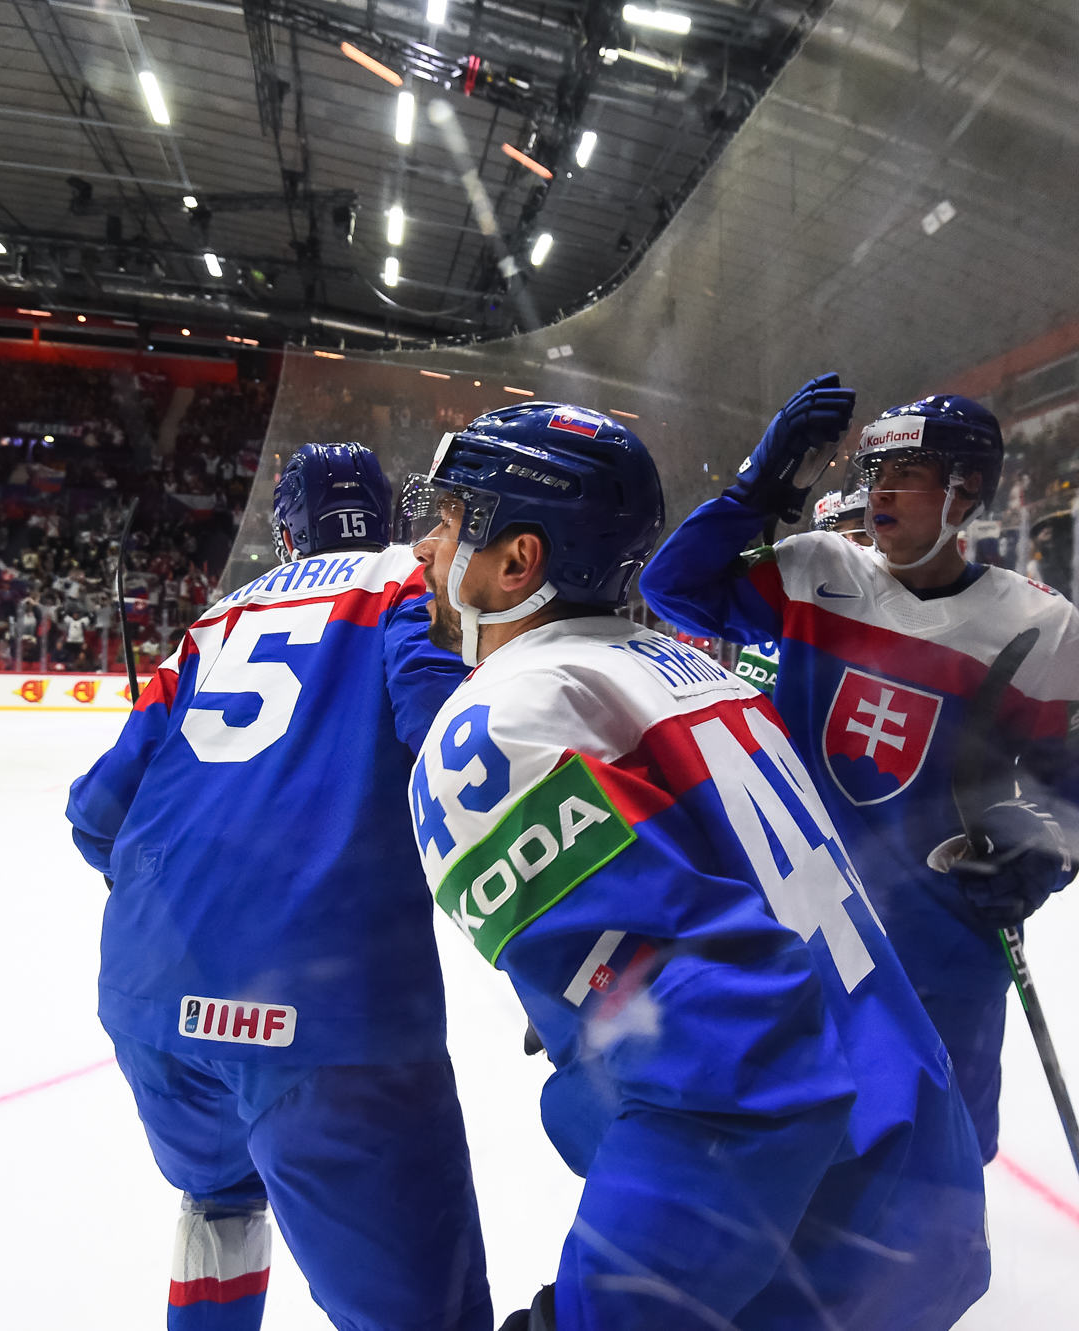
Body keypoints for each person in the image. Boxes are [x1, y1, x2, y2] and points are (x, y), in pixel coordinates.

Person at [403, 402, 988, 1331]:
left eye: (446, 523)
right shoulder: (696, 671)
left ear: (518, 561)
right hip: (918, 1167)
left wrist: (600, 1315)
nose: (425, 553)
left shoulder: (497, 725)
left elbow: (734, 1069)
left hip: (797, 1244)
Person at [640, 376, 1079, 1165]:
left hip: (944, 943)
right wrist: (762, 480)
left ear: (965, 492)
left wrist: (1038, 856)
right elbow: (673, 586)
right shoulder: (815, 570)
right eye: (872, 474)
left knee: (942, 1162)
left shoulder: (1039, 624)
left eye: (905, 476)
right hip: (807, 927)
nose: (878, 495)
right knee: (806, 1148)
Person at [65, 443, 489, 1331]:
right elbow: (446, 741)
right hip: (322, 1010)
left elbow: (97, 813)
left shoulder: (221, 617)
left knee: (219, 1200)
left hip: (150, 1000)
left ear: (285, 527)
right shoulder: (408, 584)